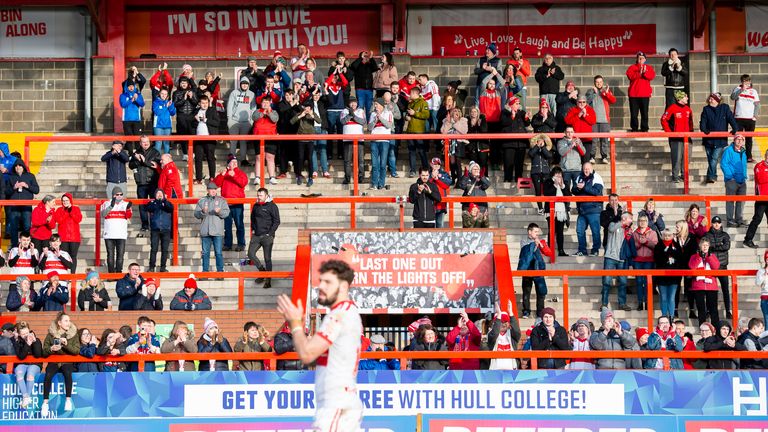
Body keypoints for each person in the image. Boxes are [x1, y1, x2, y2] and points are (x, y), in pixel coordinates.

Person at [276, 260, 364, 431]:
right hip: (341, 399)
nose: (321, 286)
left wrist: (295, 324)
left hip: (336, 402)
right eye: (320, 281)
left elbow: (307, 354)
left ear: (344, 286)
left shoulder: (338, 315)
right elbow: (316, 356)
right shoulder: (347, 312)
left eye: (328, 282)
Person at [40, 311, 79, 417]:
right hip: (54, 361)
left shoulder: (74, 333)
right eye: (66, 321)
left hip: (67, 362)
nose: (69, 323)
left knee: (67, 373)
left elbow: (76, 350)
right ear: (59, 323)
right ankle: (45, 403)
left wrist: (65, 345)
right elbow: (44, 351)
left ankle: (68, 400)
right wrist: (52, 349)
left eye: (69, 321)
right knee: (48, 375)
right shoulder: (51, 334)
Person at [700, 92, 738, 184]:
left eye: (712, 99)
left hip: (720, 140)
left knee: (714, 158)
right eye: (709, 98)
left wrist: (735, 128)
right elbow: (703, 121)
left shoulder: (724, 108)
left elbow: (731, 118)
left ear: (717, 100)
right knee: (710, 159)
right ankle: (710, 176)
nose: (709, 100)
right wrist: (704, 129)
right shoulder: (706, 109)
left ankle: (712, 177)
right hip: (708, 139)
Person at [213, 158, 248, 253]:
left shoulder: (240, 173)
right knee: (227, 226)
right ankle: (228, 244)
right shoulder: (224, 174)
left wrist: (234, 175)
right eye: (232, 162)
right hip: (226, 204)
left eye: (236, 162)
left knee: (239, 224)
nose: (235, 163)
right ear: (228, 164)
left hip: (237, 203)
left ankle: (241, 244)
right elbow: (215, 185)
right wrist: (222, 175)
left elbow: (243, 183)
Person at [518, 223, 552, 318]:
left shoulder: (540, 241)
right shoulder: (524, 241)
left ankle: (540, 312)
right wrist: (533, 245)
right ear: (529, 232)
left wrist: (541, 245)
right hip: (528, 269)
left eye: (538, 232)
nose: (537, 234)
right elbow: (526, 254)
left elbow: (548, 253)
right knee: (526, 291)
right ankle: (526, 311)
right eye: (535, 231)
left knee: (540, 292)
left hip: (538, 269)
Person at [194, 182, 230, 273]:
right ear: (208, 190)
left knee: (218, 253)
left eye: (215, 190)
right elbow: (196, 214)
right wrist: (202, 211)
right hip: (205, 231)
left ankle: (220, 272)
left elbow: (226, 213)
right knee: (205, 253)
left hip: (217, 231)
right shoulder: (202, 201)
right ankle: (205, 272)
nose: (213, 191)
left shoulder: (222, 200)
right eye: (211, 190)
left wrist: (219, 212)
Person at [602, 212, 634, 312]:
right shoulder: (613, 224)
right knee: (606, 281)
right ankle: (604, 304)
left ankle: (622, 303)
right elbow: (611, 229)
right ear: (624, 218)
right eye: (630, 219)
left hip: (622, 258)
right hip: (610, 257)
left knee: (623, 282)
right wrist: (622, 222)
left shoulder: (628, 230)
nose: (631, 221)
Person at [129, 135, 161, 234]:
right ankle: (145, 225)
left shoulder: (155, 152)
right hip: (141, 183)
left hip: (152, 182)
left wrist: (144, 161)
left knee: (153, 204)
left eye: (147, 141)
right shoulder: (136, 153)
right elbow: (131, 165)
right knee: (142, 206)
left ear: (150, 142)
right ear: (140, 143)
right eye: (143, 142)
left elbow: (155, 165)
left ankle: (154, 224)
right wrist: (138, 160)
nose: (145, 144)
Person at [703, 216, 733, 320]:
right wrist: (719, 245)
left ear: (720, 224)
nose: (716, 224)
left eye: (718, 222)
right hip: (710, 267)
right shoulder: (707, 235)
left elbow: (727, 246)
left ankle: (728, 310)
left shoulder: (725, 235)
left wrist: (713, 247)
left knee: (725, 289)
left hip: (722, 266)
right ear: (712, 223)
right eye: (714, 222)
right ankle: (708, 310)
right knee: (709, 290)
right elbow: (705, 247)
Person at [249, 187, 280, 288]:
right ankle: (262, 272)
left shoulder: (272, 206)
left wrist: (270, 233)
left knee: (267, 258)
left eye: (261, 195)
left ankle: (268, 280)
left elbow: (277, 221)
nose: (259, 197)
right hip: (256, 236)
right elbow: (252, 218)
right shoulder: (256, 205)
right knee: (250, 254)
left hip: (267, 236)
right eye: (258, 195)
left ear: (266, 195)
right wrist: (253, 229)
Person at [659, 90, 693, 183]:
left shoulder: (688, 109)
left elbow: (691, 123)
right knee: (677, 157)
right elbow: (663, 119)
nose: (687, 98)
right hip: (676, 138)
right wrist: (669, 132)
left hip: (687, 138)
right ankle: (675, 176)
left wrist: (691, 132)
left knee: (687, 157)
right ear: (680, 98)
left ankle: (684, 175)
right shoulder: (672, 108)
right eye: (685, 96)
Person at [572, 162, 604, 256]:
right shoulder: (579, 177)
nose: (586, 170)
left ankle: (595, 250)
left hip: (594, 209)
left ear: (591, 168)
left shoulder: (597, 177)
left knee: (595, 231)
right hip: (582, 209)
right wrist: (578, 189)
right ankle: (582, 250)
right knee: (579, 230)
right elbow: (573, 190)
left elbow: (597, 191)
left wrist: (584, 187)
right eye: (584, 168)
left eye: (588, 168)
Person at [7, 159, 40, 248]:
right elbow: (6, 192)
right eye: (16, 166)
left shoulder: (30, 176)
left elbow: (37, 190)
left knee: (27, 226)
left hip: (26, 206)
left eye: (20, 165)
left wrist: (27, 186)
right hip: (14, 206)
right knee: (13, 227)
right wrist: (14, 187)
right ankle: (14, 246)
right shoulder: (11, 177)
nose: (18, 167)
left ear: (23, 167)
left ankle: (28, 246)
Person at [689, 238, 721, 327]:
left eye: (706, 245)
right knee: (701, 308)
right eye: (703, 245)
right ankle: (702, 326)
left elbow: (715, 267)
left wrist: (709, 257)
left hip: (711, 285)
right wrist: (699, 257)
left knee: (713, 308)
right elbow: (692, 267)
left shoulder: (712, 256)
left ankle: (715, 327)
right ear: (700, 246)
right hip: (698, 285)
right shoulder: (694, 256)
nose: (705, 247)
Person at [100, 187, 132, 273]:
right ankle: (111, 274)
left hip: (121, 234)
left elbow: (129, 216)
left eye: (121, 194)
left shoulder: (125, 204)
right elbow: (103, 214)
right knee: (110, 255)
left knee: (120, 255)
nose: (119, 196)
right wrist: (111, 206)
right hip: (109, 234)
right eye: (117, 194)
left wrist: (128, 208)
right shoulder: (106, 203)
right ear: (113, 195)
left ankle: (118, 274)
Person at [499, 97, 531, 183]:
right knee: (508, 162)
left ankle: (519, 179)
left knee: (519, 163)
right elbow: (503, 123)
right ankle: (507, 179)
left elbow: (527, 124)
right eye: (516, 104)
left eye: (518, 103)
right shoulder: (504, 112)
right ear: (511, 105)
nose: (518, 105)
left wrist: (527, 118)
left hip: (520, 142)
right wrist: (512, 116)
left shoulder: (521, 112)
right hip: (509, 143)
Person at [585, 75, 616, 163]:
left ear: (603, 82)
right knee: (593, 140)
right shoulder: (590, 91)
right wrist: (594, 93)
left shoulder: (605, 91)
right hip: (593, 120)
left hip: (605, 120)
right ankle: (592, 157)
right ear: (594, 83)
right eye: (597, 82)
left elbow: (613, 100)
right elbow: (586, 101)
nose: (599, 84)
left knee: (604, 140)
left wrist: (606, 93)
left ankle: (604, 156)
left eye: (600, 82)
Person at [730, 74, 760, 162]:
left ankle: (748, 156)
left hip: (750, 119)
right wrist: (741, 90)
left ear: (750, 82)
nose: (746, 83)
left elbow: (757, 105)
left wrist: (755, 116)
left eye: (747, 81)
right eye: (744, 81)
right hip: (738, 118)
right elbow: (733, 97)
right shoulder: (737, 89)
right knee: (738, 138)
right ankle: (736, 155)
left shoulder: (753, 91)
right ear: (742, 82)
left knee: (749, 138)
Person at [654, 229, 683, 319]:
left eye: (669, 235)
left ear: (672, 236)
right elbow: (657, 259)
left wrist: (672, 253)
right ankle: (664, 316)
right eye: (665, 235)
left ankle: (671, 316)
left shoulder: (677, 246)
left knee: (671, 297)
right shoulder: (658, 246)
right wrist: (666, 253)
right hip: (662, 276)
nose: (667, 237)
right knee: (663, 297)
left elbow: (680, 259)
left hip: (674, 277)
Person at [13, 322, 42, 409]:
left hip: (35, 364)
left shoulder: (36, 340)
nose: (25, 335)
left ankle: (27, 397)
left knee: (30, 373)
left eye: (27, 332)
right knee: (18, 372)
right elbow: (21, 356)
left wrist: (34, 341)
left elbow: (38, 355)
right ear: (19, 334)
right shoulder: (17, 342)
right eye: (23, 334)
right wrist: (27, 344)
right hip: (23, 364)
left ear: (29, 331)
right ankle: (26, 397)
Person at [721, 134, 748, 226]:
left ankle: (739, 219)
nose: (740, 141)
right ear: (734, 140)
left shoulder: (743, 151)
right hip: (732, 180)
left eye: (741, 139)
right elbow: (724, 164)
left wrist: (744, 176)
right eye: (738, 139)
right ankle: (730, 220)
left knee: (741, 201)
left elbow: (744, 165)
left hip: (742, 180)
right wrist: (730, 176)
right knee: (730, 200)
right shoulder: (729, 150)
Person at [543, 166, 571, 257]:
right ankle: (550, 250)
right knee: (551, 230)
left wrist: (562, 186)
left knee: (560, 231)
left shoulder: (565, 183)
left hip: (561, 212)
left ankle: (561, 250)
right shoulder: (548, 182)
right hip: (551, 211)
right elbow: (547, 193)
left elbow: (568, 196)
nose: (559, 176)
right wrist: (555, 185)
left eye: (560, 174)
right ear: (553, 174)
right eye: (557, 174)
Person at [252, 97, 280, 184]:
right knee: (259, 157)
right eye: (264, 102)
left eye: (267, 103)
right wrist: (262, 113)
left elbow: (275, 119)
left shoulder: (274, 112)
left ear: (270, 103)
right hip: (258, 137)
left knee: (270, 157)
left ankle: (271, 177)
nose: (265, 104)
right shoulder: (257, 111)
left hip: (271, 138)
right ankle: (257, 177)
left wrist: (268, 112)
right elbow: (254, 118)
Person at [626, 51, 656, 132]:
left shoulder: (649, 68)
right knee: (634, 114)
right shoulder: (632, 67)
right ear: (636, 59)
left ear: (645, 59)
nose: (641, 59)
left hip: (645, 95)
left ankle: (644, 128)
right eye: (639, 58)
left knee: (645, 113)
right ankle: (634, 128)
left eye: (642, 58)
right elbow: (631, 76)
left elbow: (651, 76)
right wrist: (640, 73)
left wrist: (645, 72)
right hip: (633, 95)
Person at [633, 214, 658, 311]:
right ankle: (640, 302)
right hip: (637, 260)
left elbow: (655, 245)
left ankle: (648, 302)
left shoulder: (653, 233)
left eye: (644, 220)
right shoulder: (635, 233)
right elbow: (633, 246)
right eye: (640, 220)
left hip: (649, 260)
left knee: (648, 283)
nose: (642, 222)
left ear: (647, 222)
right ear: (638, 222)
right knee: (639, 282)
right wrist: (640, 243)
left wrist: (646, 242)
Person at [192, 95, 220, 184]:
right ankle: (199, 178)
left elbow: (217, 122)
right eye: (203, 103)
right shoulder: (196, 111)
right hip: (198, 138)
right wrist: (195, 120)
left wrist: (206, 120)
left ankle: (212, 177)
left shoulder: (212, 110)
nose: (204, 105)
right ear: (199, 103)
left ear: (208, 103)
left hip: (209, 138)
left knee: (210, 158)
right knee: (198, 158)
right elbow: (191, 124)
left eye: (206, 103)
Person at [52, 192, 81, 273]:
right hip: (63, 238)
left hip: (74, 238)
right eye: (63, 201)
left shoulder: (76, 209)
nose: (65, 202)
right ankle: (64, 273)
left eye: (67, 200)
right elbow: (59, 220)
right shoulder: (59, 210)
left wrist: (71, 211)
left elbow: (78, 219)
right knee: (63, 256)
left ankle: (72, 274)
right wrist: (66, 212)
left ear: (70, 201)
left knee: (73, 256)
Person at [404, 86, 430, 178]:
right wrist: (406, 117)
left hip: (419, 131)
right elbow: (408, 115)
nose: (409, 95)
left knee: (421, 151)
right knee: (411, 151)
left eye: (410, 93)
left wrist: (415, 113)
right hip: (410, 131)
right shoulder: (410, 103)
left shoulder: (423, 103)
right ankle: (412, 170)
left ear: (415, 93)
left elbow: (426, 115)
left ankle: (426, 168)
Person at [369, 98, 394, 190]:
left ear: (381, 105)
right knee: (375, 164)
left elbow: (389, 126)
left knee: (383, 164)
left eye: (376, 104)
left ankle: (381, 184)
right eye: (374, 104)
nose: (375, 106)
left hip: (384, 141)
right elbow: (369, 127)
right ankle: (374, 184)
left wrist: (381, 118)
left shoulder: (389, 113)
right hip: (374, 141)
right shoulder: (372, 114)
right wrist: (375, 120)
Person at [745, 148, 768, 248]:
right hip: (761, 198)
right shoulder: (759, 166)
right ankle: (748, 239)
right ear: (765, 155)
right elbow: (761, 179)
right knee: (757, 219)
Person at [341, 96, 366, 185]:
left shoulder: (361, 111)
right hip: (347, 139)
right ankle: (347, 178)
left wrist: (354, 116)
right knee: (347, 160)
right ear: (348, 104)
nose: (353, 104)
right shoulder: (344, 111)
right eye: (351, 102)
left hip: (359, 139)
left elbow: (363, 121)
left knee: (360, 160)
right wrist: (349, 115)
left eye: (354, 102)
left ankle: (361, 177)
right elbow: (343, 121)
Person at [146, 188, 173, 272]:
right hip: (155, 229)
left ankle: (163, 267)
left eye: (161, 193)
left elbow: (170, 208)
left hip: (166, 229)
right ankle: (151, 267)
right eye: (158, 193)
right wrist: (157, 201)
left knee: (165, 249)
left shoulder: (167, 203)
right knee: (154, 249)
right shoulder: (152, 203)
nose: (159, 195)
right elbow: (149, 208)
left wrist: (164, 201)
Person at [565, 95, 597, 163]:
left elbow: (593, 121)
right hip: (576, 139)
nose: (582, 104)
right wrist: (578, 115)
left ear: (586, 102)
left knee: (585, 159)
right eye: (580, 102)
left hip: (587, 139)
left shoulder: (590, 110)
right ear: (577, 102)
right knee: (576, 159)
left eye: (583, 102)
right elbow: (567, 121)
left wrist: (585, 115)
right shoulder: (572, 110)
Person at [350, 50, 379, 119]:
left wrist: (371, 58)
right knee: (360, 107)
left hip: (369, 90)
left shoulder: (369, 65)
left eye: (367, 57)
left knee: (369, 108)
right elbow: (353, 66)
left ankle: (369, 125)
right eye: (364, 56)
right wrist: (360, 58)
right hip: (360, 90)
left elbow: (375, 68)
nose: (366, 58)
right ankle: (360, 125)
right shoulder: (357, 65)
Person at [119, 78, 145, 152]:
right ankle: (130, 154)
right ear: (126, 87)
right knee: (129, 138)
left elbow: (142, 104)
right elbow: (123, 104)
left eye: (132, 86)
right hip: (127, 120)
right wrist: (131, 100)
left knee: (137, 138)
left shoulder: (138, 95)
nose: (131, 87)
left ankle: (138, 153)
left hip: (137, 120)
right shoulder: (123, 95)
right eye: (129, 86)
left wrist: (136, 99)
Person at [528, 134, 553, 213]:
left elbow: (549, 156)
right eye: (539, 141)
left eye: (542, 141)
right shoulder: (533, 149)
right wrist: (537, 146)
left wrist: (543, 148)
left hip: (546, 172)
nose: (541, 142)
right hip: (535, 172)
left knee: (547, 191)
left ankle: (546, 208)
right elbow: (531, 154)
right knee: (538, 191)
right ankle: (540, 208)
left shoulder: (547, 149)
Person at [557, 127, 586, 191]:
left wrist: (578, 145)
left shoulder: (578, 141)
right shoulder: (560, 142)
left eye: (571, 132)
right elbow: (562, 152)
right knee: (566, 190)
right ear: (565, 133)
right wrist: (571, 145)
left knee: (578, 190)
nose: (570, 134)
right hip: (565, 170)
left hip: (577, 169)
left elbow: (583, 153)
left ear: (574, 132)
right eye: (568, 132)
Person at [428, 157, 452, 228]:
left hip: (441, 204)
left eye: (438, 164)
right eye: (434, 164)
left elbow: (447, 185)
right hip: (430, 204)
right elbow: (425, 184)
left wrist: (438, 179)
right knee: (430, 226)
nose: (436, 165)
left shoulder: (444, 174)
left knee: (440, 225)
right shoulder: (427, 174)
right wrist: (432, 177)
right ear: (431, 164)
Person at [152, 87, 176, 154]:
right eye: (162, 93)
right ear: (159, 94)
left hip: (168, 126)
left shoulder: (169, 102)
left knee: (166, 143)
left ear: (167, 95)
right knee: (158, 143)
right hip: (158, 126)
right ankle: (157, 159)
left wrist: (170, 106)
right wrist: (165, 106)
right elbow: (157, 112)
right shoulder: (156, 102)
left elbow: (173, 113)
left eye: (165, 94)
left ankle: (167, 159)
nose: (163, 95)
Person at [756, 250, 768, 325]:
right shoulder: (761, 271)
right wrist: (764, 274)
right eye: (767, 259)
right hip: (765, 297)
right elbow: (758, 283)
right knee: (767, 319)